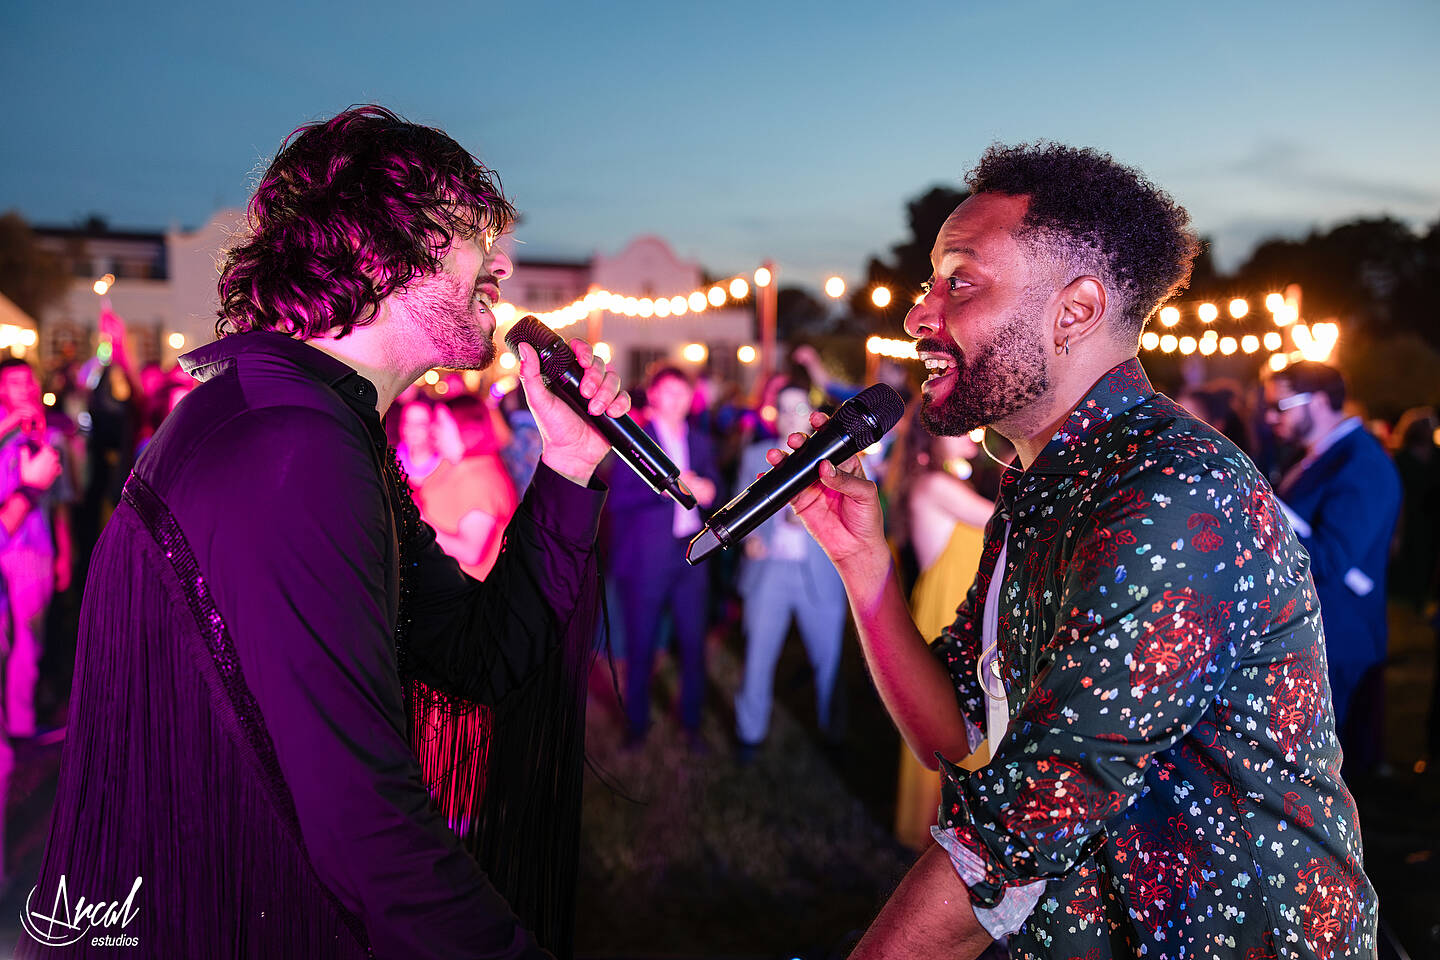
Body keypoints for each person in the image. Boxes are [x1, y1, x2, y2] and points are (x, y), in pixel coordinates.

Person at [23, 105, 631, 960]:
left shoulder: (318, 424)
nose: (499, 262)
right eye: (471, 234)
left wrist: (567, 469)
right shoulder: (289, 446)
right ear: (381, 250)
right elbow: (363, 828)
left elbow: (476, 653)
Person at [771, 143, 1376, 957]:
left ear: (1077, 310)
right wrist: (863, 565)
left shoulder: (1170, 490)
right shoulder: (1043, 484)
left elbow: (1012, 835)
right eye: (928, 282)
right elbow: (956, 733)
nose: (920, 314)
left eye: (959, 279)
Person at [1264, 361, 1401, 779]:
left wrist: (1267, 514)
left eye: (1281, 405)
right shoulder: (1317, 457)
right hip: (1317, 634)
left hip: (1339, 639)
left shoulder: (1361, 463)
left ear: (1320, 401)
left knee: (1322, 774)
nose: (1271, 417)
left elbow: (1331, 558)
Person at [604, 365, 720, 750]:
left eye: (683, 392)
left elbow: (713, 488)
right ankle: (636, 724)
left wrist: (708, 490)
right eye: (668, 392)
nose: (677, 400)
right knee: (641, 642)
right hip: (646, 556)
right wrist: (667, 488)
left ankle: (691, 722)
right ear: (652, 395)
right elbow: (616, 498)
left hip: (691, 552)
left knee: (692, 641)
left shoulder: (701, 440)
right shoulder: (635, 440)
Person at [732, 384, 847, 762]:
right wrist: (747, 538)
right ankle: (750, 734)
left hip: (820, 570)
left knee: (828, 658)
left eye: (797, 407)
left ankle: (832, 732)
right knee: (758, 655)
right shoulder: (755, 455)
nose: (789, 413)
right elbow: (737, 510)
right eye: (782, 407)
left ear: (810, 412)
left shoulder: (832, 457)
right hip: (770, 571)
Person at [0, 358, 74, 739]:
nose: (25, 389)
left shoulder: (48, 432)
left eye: (29, 382)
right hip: (5, 544)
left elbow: (58, 501)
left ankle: (22, 724)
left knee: (29, 641)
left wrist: (64, 551)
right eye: (14, 383)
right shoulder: (5, 431)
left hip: (34, 551)